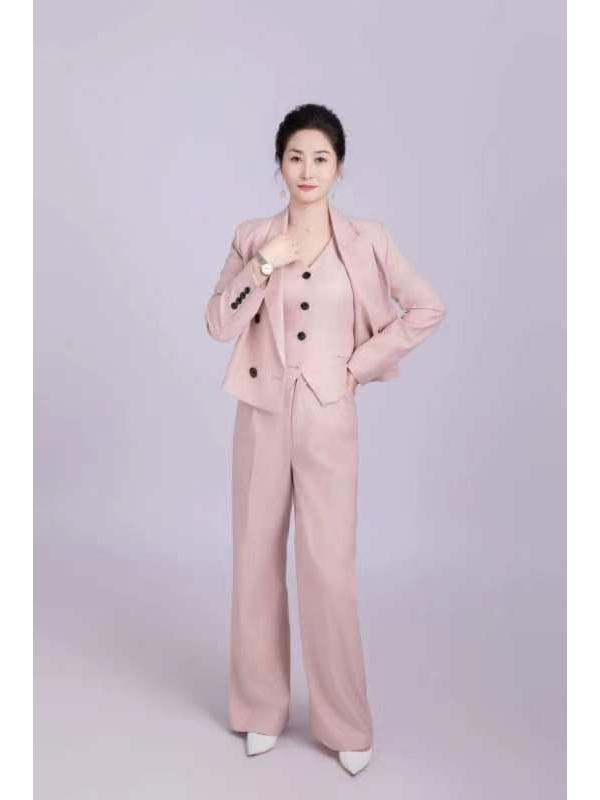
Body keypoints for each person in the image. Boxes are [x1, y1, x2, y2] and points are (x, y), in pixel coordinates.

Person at [205, 103, 446, 775]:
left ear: (339, 167)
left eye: (321, 158)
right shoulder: (253, 236)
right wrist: (262, 266)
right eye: (295, 157)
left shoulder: (368, 240)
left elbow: (426, 307)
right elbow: (218, 324)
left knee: (328, 569)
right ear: (279, 164)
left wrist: (357, 366)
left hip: (328, 416)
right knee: (255, 560)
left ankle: (344, 719)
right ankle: (259, 708)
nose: (307, 170)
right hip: (261, 413)